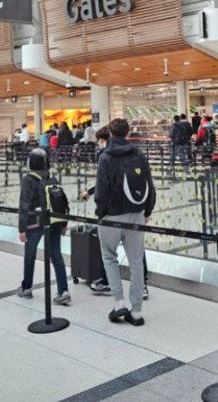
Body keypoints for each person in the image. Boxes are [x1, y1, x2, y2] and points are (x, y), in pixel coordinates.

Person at [92, 118, 155, 326]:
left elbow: (101, 190)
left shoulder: (105, 157)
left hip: (111, 216)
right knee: (136, 261)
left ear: (110, 133)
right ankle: (136, 312)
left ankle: (119, 302)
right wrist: (147, 210)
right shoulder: (138, 154)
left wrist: (100, 212)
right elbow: (149, 183)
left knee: (109, 257)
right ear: (127, 133)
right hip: (136, 214)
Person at [17, 148, 70, 305]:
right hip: (54, 222)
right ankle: (63, 290)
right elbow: (63, 202)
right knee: (56, 255)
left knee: (30, 255)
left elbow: (24, 205)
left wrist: (22, 229)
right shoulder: (52, 178)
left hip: (35, 224)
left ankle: (26, 288)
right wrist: (64, 223)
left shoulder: (28, 179)